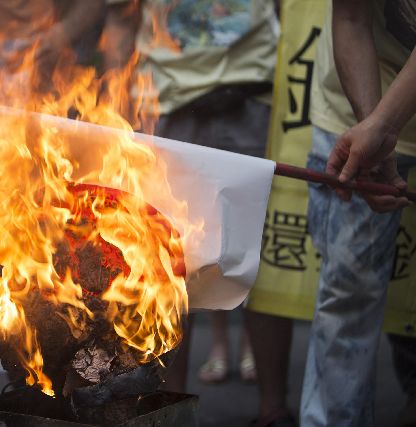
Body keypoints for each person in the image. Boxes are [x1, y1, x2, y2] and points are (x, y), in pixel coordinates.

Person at [101, 0, 278, 392]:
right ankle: (169, 403)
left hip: (254, 90)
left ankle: (273, 408)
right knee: (167, 258)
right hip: (166, 99)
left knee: (261, 253)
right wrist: (117, 110)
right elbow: (120, 17)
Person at [302, 0, 416, 425]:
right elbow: (350, 16)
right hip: (352, 111)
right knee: (348, 294)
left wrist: (382, 127)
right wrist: (375, 130)